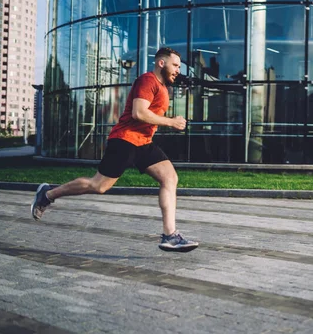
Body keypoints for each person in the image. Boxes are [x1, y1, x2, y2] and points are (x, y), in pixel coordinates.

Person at [31, 47, 198, 253]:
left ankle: (170, 235)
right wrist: (171, 122)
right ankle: (47, 194)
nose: (178, 70)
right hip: (125, 141)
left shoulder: (163, 86)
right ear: (161, 63)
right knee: (99, 186)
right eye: (175, 65)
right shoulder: (147, 81)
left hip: (144, 143)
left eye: (179, 67)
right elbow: (139, 113)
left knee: (170, 178)